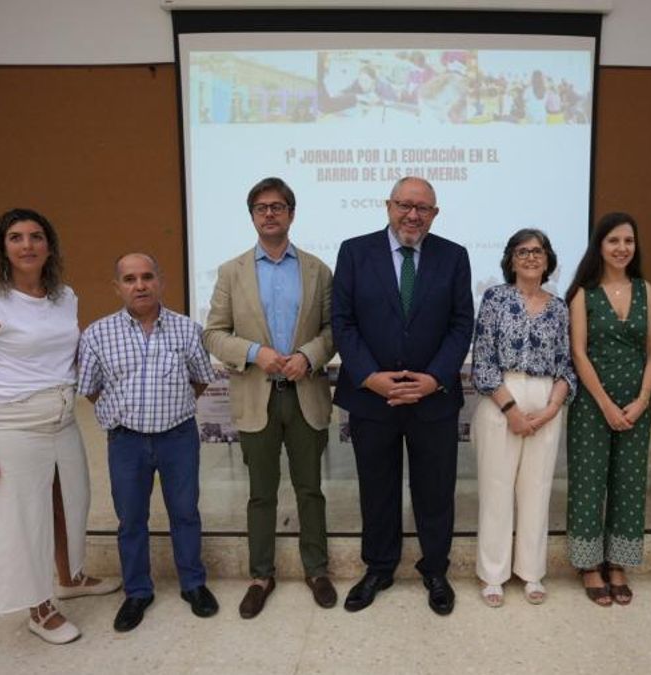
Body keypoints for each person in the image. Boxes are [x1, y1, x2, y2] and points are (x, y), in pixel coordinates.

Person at [0, 208, 119, 645]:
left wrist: (111, 399)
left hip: (61, 419)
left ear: (49, 246)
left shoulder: (64, 296)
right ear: (1, 246)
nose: (27, 245)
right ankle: (39, 607)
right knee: (23, 518)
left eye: (36, 236)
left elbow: (71, 358)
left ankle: (69, 576)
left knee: (70, 500)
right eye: (16, 237)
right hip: (12, 426)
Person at [332, 176, 473, 616]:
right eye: (404, 205)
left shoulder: (454, 256)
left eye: (423, 208)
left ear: (435, 214)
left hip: (433, 399)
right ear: (388, 205)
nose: (413, 215)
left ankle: (435, 569)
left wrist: (434, 378)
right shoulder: (355, 252)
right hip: (372, 398)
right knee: (378, 489)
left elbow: (460, 324)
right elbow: (343, 321)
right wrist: (369, 376)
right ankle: (379, 568)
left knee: (435, 491)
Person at [203, 177, 338, 618]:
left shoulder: (318, 270)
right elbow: (213, 334)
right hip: (256, 397)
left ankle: (317, 570)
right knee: (261, 493)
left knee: (310, 490)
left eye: (278, 206)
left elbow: (335, 331)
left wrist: (309, 355)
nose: (269, 214)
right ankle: (261, 575)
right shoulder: (231, 271)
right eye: (261, 208)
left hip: (305, 394)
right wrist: (252, 352)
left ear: (291, 214)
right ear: (252, 216)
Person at [78, 253, 218, 632]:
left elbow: (201, 378)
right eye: (129, 279)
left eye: (146, 277)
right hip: (126, 441)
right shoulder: (96, 334)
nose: (139, 285)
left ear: (160, 281)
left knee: (185, 512)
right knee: (131, 519)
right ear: (117, 287)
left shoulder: (188, 330)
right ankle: (138, 592)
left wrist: (170, 406)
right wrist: (122, 411)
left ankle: (193, 584)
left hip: (178, 436)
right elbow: (90, 389)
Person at [470, 229, 575, 607]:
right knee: (496, 491)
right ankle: (493, 575)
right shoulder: (495, 298)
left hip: (547, 399)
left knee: (537, 491)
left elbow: (567, 366)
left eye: (538, 251)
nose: (531, 257)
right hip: (501, 398)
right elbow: (482, 361)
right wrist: (512, 411)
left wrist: (550, 409)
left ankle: (531, 573)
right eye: (522, 251)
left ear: (548, 260)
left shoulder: (560, 307)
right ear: (511, 260)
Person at [565, 213, 651, 607]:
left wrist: (641, 400)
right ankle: (589, 565)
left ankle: (618, 563)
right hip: (592, 404)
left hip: (637, 404)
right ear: (599, 246)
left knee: (629, 483)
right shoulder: (583, 293)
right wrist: (605, 404)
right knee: (589, 483)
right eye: (613, 241)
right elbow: (578, 353)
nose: (622, 248)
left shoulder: (645, 289)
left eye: (629, 241)